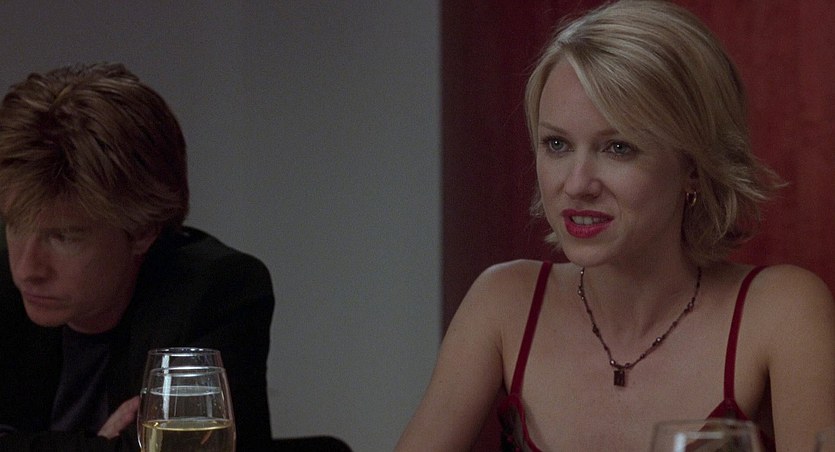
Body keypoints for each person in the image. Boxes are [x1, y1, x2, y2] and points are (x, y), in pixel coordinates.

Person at [396, 1, 835, 451]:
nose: (576, 184)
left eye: (618, 148)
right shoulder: (504, 302)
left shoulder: (782, 310)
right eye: (557, 144)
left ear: (694, 168)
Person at [0, 63, 275, 451]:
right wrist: (99, 445)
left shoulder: (216, 291)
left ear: (143, 230)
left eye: (63, 237)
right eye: (15, 225)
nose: (28, 269)